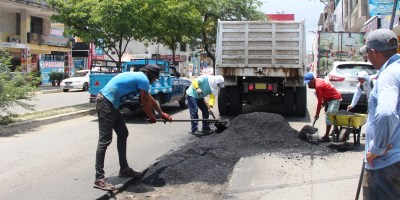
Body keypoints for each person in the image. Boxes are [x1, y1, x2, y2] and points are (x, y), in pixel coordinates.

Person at [94, 64, 172, 191]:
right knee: (105, 140)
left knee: (123, 133)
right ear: (151, 75)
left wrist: (161, 113)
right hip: (105, 102)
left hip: (111, 104)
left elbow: (149, 99)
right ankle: (99, 178)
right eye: (155, 78)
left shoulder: (141, 79)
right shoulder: (144, 79)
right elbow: (144, 103)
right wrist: (151, 116)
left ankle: (124, 169)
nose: (154, 81)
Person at [359, 28, 400, 199]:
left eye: (367, 53)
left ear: (374, 53)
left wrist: (377, 148)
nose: (367, 57)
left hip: (386, 164)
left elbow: (386, 113)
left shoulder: (388, 75)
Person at [304, 72, 342, 142]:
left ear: (312, 79)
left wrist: (317, 113)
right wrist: (324, 101)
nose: (308, 84)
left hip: (335, 99)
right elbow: (325, 91)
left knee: (329, 115)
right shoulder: (318, 80)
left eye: (309, 82)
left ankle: (326, 136)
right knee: (331, 116)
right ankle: (335, 130)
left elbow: (319, 101)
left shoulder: (318, 86)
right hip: (330, 98)